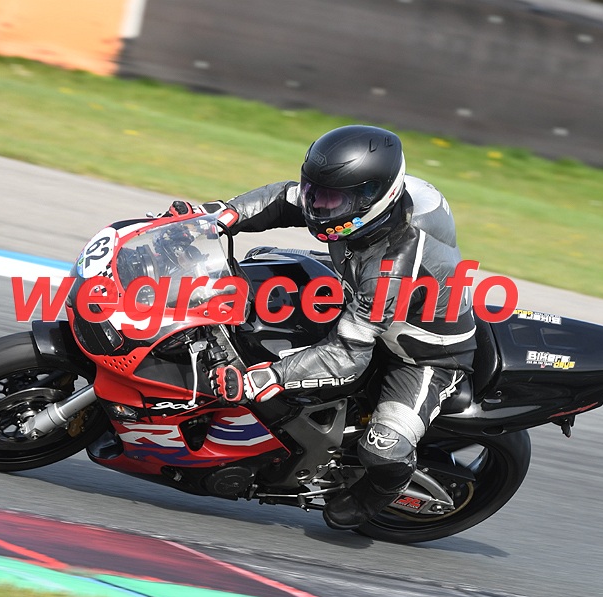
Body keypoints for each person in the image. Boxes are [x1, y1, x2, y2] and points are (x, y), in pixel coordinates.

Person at [176, 124, 476, 530]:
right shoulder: (367, 206)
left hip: (421, 353)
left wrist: (264, 378)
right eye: (316, 191)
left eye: (332, 198)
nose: (317, 206)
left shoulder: (391, 269)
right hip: (361, 291)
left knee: (384, 449)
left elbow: (348, 356)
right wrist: (216, 216)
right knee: (261, 274)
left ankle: (382, 489)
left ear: (375, 197)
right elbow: (284, 198)